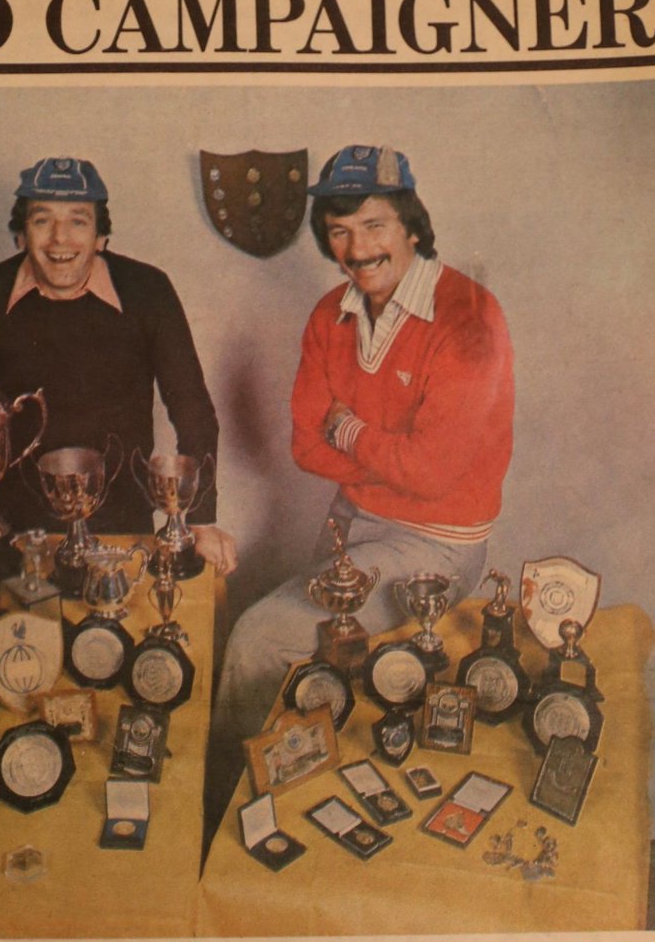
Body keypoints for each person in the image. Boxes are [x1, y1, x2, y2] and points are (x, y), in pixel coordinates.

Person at [212, 143, 514, 747]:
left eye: (374, 225)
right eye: (339, 232)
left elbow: (432, 475)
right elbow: (304, 446)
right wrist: (396, 456)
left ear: (411, 225)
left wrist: (348, 430)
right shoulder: (331, 314)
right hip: (350, 529)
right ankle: (268, 802)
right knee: (310, 665)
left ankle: (223, 812)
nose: (357, 249)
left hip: (436, 546)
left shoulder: (469, 317)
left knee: (259, 635)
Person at [0, 156, 237, 574]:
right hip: (17, 523)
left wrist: (201, 520)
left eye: (78, 221)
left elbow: (193, 410)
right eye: (42, 220)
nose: (60, 239)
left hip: (122, 518)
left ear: (101, 237)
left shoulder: (148, 289)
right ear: (21, 234)